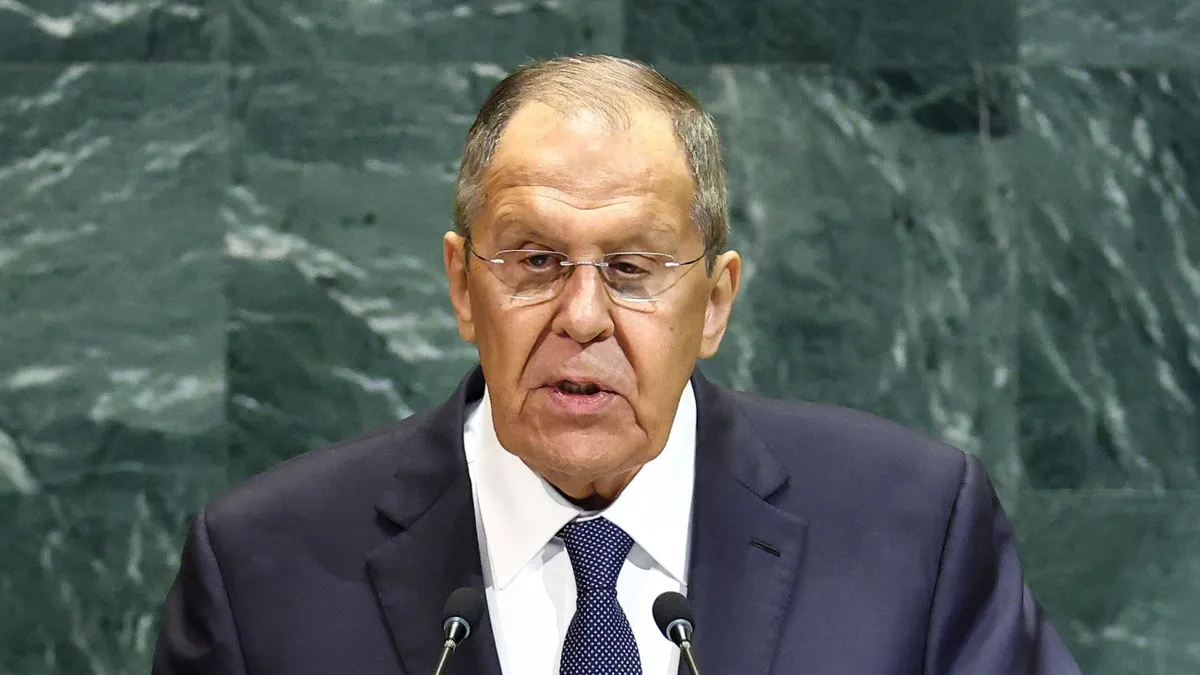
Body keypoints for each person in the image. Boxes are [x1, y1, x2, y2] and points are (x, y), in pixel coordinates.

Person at [152, 55, 1082, 675]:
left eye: (634, 269)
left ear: (715, 301)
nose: (583, 316)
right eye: (533, 261)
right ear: (462, 285)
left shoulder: (916, 528)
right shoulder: (260, 570)